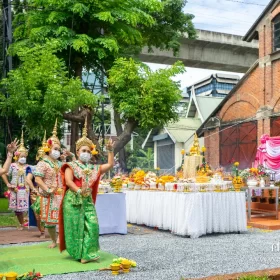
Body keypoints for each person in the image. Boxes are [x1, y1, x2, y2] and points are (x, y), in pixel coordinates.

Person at [59, 117, 114, 263]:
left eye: (89, 151)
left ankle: (88, 253)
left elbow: (109, 164)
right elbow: (69, 181)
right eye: (84, 150)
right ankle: (80, 254)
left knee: (92, 225)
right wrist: (78, 191)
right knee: (76, 228)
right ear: (77, 152)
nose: (86, 153)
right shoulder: (71, 166)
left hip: (87, 200)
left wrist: (110, 151)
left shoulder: (93, 168)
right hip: (73, 200)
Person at [34, 120, 63, 248]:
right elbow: (37, 179)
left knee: (62, 219)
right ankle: (53, 240)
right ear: (48, 149)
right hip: (48, 196)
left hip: (61, 194)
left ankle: (60, 239)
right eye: (55, 149)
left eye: (59, 149)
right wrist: (47, 189)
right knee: (50, 222)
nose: (57, 151)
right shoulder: (43, 163)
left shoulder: (60, 164)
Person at [2, 133, 30, 230]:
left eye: (25, 157)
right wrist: (8, 183)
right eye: (22, 156)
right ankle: (22, 223)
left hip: (26, 189)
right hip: (15, 189)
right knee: (18, 209)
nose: (23, 158)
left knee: (27, 208)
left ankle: (27, 221)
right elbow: (3, 173)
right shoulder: (13, 165)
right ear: (17, 156)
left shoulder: (28, 167)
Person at [26, 131, 47, 238]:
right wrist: (33, 188)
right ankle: (42, 231)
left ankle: (56, 233)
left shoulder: (51, 167)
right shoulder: (34, 168)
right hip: (37, 192)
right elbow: (28, 179)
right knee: (39, 214)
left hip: (49, 192)